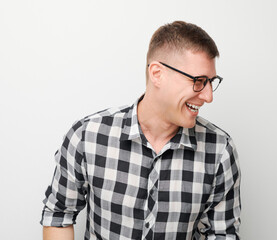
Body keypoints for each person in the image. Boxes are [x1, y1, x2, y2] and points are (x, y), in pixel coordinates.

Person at [41, 20, 241, 240]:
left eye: (211, 81)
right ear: (157, 74)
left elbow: (222, 234)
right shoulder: (87, 137)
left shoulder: (220, 151)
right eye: (198, 81)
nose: (208, 96)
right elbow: (58, 216)